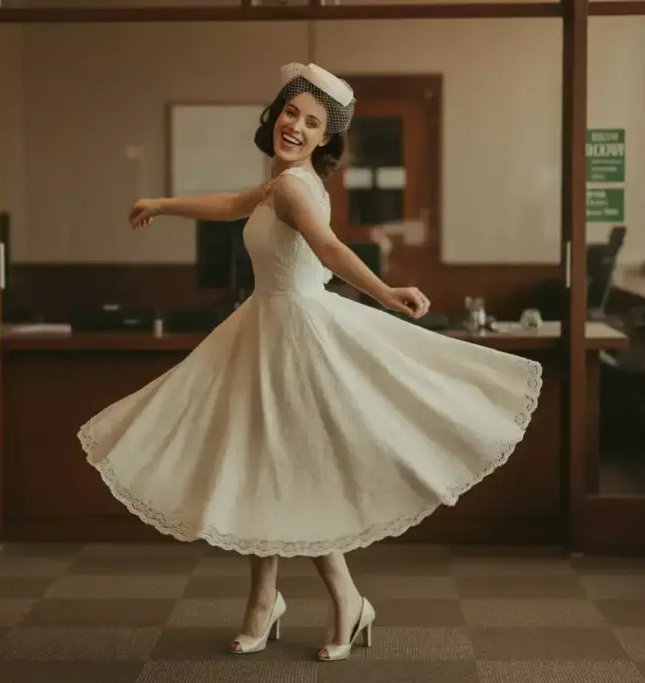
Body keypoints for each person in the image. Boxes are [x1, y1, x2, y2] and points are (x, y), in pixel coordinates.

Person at [78, 63, 542, 661]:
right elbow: (228, 204)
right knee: (262, 461)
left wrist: (384, 292)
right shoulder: (280, 183)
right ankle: (271, 600)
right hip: (267, 331)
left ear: (326, 139)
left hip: (298, 333)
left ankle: (338, 598)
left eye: (312, 122)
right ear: (274, 115)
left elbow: (328, 248)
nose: (295, 126)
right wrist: (163, 203)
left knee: (291, 465)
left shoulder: (296, 187)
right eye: (290, 112)